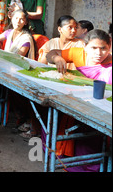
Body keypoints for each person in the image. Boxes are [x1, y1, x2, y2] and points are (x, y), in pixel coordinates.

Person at [46, 29, 111, 172]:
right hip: (77, 104)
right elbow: (50, 54)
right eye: (93, 48)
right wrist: (57, 58)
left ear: (109, 47)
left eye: (103, 48)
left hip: (101, 112)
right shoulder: (78, 54)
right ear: (85, 46)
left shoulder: (110, 66)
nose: (98, 53)